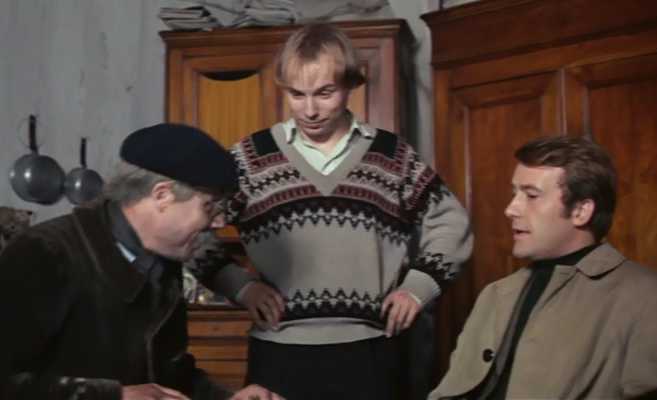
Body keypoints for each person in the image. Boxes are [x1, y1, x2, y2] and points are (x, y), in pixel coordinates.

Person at [186, 23, 474, 400]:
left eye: (324, 93)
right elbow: (187, 226)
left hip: (372, 351)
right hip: (279, 352)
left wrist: (417, 288)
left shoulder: (391, 156)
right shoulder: (250, 158)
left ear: (350, 84)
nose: (310, 110)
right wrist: (240, 286)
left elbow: (452, 223)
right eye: (296, 94)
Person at [0, 123, 282, 400]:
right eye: (210, 206)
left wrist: (227, 398)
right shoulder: (44, 253)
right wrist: (114, 395)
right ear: (162, 195)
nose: (219, 222)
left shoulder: (163, 265)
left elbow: (170, 375)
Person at [429, 135, 657, 400]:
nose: (511, 209)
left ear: (581, 211)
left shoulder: (648, 296)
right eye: (514, 194)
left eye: (531, 195)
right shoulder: (495, 295)